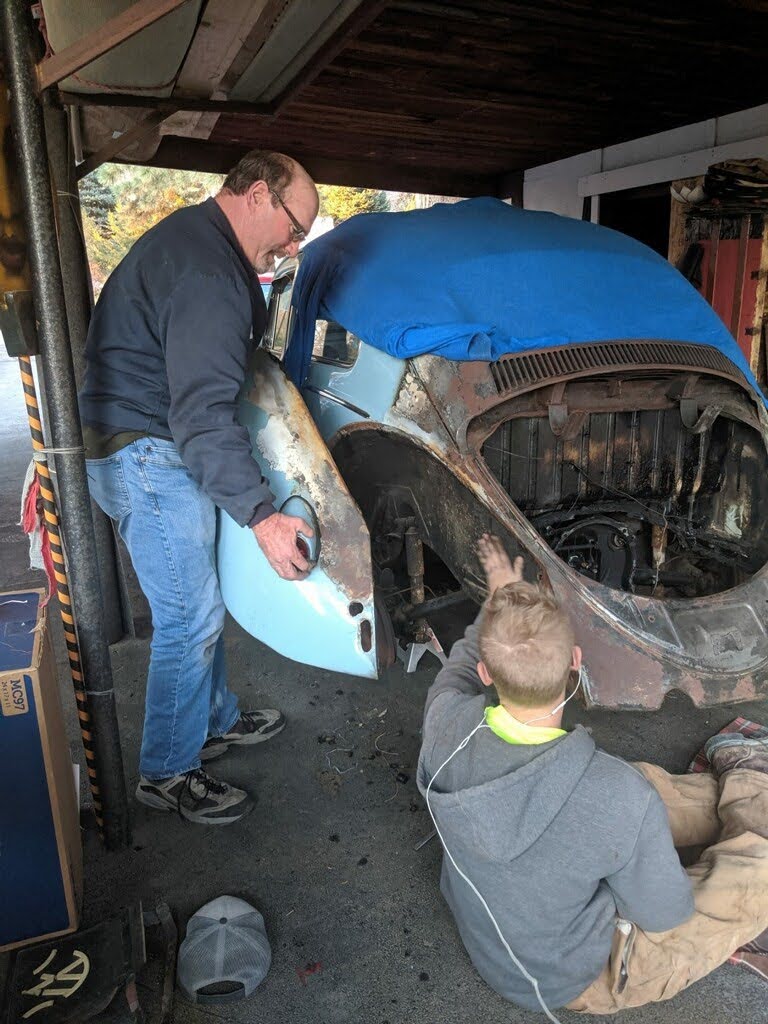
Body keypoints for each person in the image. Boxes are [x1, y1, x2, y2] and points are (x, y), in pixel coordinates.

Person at [417, 533, 768, 1015]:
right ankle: (751, 790)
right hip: (575, 977)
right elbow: (664, 915)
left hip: (495, 943)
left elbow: (455, 669)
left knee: (633, 792)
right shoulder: (615, 797)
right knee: (756, 875)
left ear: (485, 673)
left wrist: (500, 599)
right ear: (576, 665)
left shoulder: (445, 726)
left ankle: (746, 788)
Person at [79, 150, 320, 825]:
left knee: (198, 603)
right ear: (256, 195)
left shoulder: (193, 241)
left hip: (134, 440)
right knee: (189, 617)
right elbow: (201, 416)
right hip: (147, 454)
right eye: (295, 226)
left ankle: (211, 721)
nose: (293, 243)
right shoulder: (211, 272)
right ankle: (167, 770)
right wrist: (262, 515)